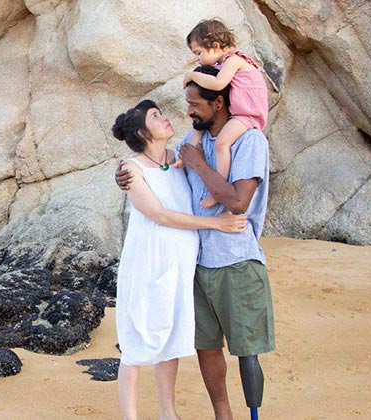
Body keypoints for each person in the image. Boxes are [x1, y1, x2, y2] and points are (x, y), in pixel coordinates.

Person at [115, 65, 275, 420]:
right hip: (192, 268)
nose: (187, 112)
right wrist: (124, 172)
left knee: (245, 348)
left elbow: (237, 202)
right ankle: (221, 415)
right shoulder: (188, 147)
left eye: (194, 104)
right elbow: (155, 186)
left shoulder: (246, 142)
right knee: (200, 347)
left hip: (234, 260)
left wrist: (198, 164)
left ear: (218, 103)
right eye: (185, 105)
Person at [182, 19, 269, 210]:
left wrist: (192, 75)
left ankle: (217, 191)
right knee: (198, 133)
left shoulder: (234, 61)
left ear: (214, 46)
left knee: (222, 143)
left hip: (248, 114)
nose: (198, 59)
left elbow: (218, 84)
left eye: (199, 53)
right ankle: (187, 158)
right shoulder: (222, 65)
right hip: (240, 113)